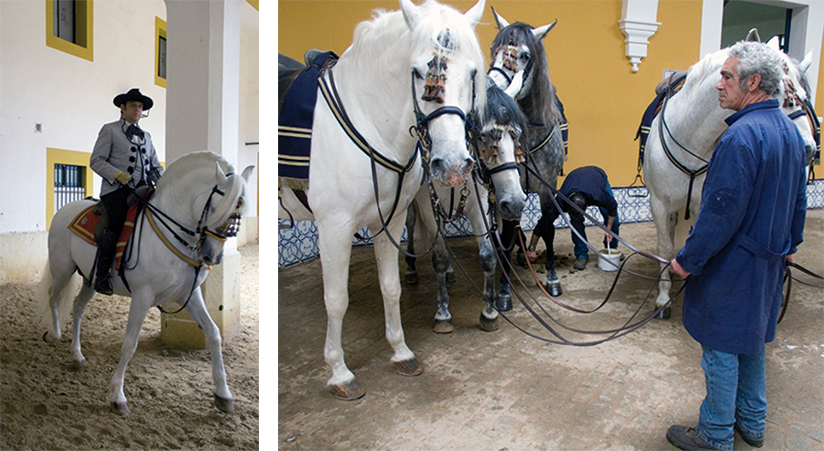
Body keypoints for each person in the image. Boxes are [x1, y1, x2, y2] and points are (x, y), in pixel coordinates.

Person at [665, 41, 807, 451]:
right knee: (751, 342)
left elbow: (719, 214)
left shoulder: (740, 137)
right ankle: (752, 421)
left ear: (753, 82)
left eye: (727, 76)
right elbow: (798, 199)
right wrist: (791, 244)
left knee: (722, 349)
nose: (719, 84)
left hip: (732, 268)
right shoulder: (788, 131)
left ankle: (715, 434)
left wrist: (687, 260)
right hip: (768, 262)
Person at [90, 88, 163, 295]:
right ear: (122, 108)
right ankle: (102, 276)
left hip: (143, 190)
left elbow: (155, 166)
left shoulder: (147, 136)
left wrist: (164, 183)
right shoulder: (109, 130)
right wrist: (116, 174)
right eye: (133, 106)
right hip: (116, 190)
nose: (137, 110)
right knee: (116, 223)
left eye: (140, 107)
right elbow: (96, 161)